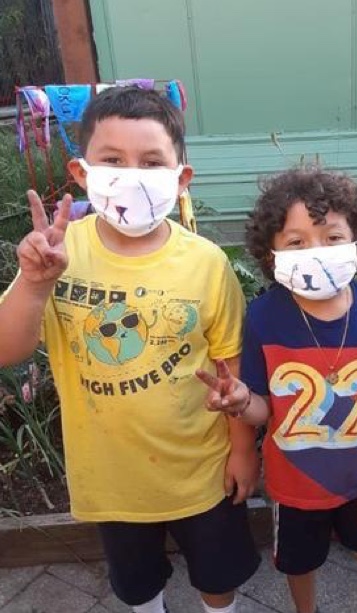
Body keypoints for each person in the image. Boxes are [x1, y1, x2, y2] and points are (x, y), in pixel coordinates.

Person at [0, 86, 260, 613]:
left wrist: (241, 449)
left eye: (151, 161)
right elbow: (9, 350)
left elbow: (228, 369)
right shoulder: (58, 253)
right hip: (112, 479)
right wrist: (32, 284)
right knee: (138, 586)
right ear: (81, 172)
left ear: (180, 177)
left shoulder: (208, 264)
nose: (132, 174)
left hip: (202, 472)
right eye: (113, 160)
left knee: (219, 577)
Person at [197, 167, 357, 613]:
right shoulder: (263, 318)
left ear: (356, 239)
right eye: (296, 242)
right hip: (292, 488)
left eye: (332, 237)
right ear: (271, 252)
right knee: (299, 565)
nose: (316, 251)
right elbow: (264, 409)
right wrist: (241, 403)